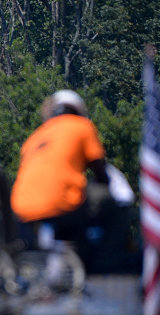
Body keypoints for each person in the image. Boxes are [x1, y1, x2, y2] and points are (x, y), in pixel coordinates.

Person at [11, 89, 111, 242]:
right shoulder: (82, 126)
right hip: (62, 205)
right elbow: (100, 171)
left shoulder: (34, 137)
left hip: (21, 211)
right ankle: (110, 262)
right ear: (78, 111)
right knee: (112, 204)